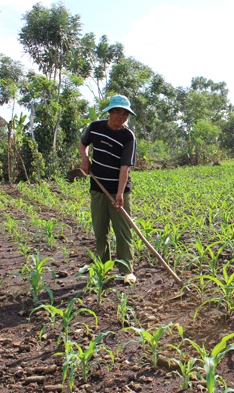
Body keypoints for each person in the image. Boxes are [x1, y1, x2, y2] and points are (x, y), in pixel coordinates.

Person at [78, 95, 137, 284]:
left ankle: (126, 270)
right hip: (97, 188)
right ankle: (103, 267)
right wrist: (85, 159)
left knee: (123, 230)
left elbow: (125, 167)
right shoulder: (95, 127)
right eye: (118, 111)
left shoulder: (128, 136)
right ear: (109, 112)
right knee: (100, 229)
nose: (121, 116)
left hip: (118, 190)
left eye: (125, 113)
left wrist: (119, 193)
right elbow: (83, 143)